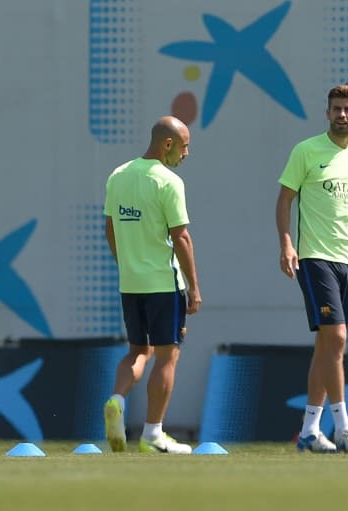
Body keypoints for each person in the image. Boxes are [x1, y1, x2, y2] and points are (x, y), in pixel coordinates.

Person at [276, 83, 348, 454]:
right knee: (336, 338)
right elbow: (285, 199)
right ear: (327, 113)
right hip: (315, 257)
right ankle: (343, 426)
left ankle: (309, 430)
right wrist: (287, 243)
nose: (342, 114)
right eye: (336, 108)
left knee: (327, 344)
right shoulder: (306, 151)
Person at [102, 116, 202, 454]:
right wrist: (194, 287)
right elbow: (182, 238)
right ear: (168, 144)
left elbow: (110, 229)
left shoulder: (117, 175)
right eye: (185, 146)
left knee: (136, 351)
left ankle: (116, 399)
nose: (187, 153)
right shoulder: (168, 182)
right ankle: (153, 434)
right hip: (163, 282)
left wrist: (126, 264)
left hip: (130, 283)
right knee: (166, 356)